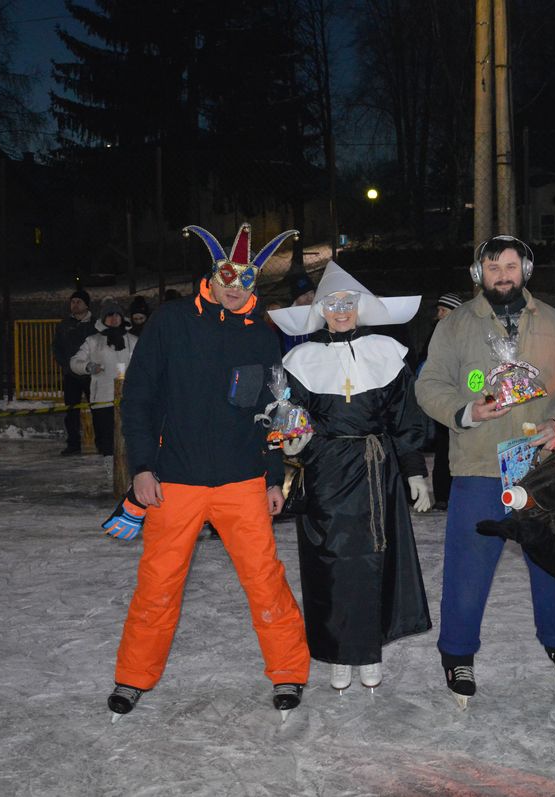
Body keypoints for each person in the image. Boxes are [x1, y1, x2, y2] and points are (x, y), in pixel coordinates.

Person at [104, 222, 311, 719]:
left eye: (246, 278)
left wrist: (272, 476)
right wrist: (142, 467)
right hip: (174, 481)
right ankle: (133, 677)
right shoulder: (171, 322)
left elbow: (271, 410)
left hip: (242, 482)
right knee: (158, 584)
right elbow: (139, 399)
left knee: (265, 580)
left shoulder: (261, 334)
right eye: (227, 276)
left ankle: (288, 672)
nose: (235, 286)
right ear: (212, 275)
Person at [415, 234, 555, 706]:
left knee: (552, 563)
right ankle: (458, 653)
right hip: (480, 465)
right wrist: (467, 411)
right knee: (467, 567)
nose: (503, 275)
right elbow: (429, 384)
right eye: (493, 267)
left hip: (540, 464)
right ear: (479, 274)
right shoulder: (456, 326)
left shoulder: (552, 321)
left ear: (525, 271)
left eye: (511, 266)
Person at [270, 262, 432, 692]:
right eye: (332, 304)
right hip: (325, 470)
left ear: (359, 307)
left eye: (348, 303)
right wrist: (293, 444)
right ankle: (340, 653)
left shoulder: (386, 351)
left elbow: (405, 418)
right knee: (331, 564)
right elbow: (293, 415)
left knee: (375, 561)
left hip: (378, 471)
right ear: (321, 310)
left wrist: (415, 471)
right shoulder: (301, 359)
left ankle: (369, 651)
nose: (341, 311)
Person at [70, 298, 137, 457]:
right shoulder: (93, 341)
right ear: (103, 318)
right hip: (103, 400)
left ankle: (130, 471)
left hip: (129, 400)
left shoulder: (134, 341)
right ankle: (108, 467)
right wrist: (88, 367)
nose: (114, 319)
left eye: (117, 315)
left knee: (130, 442)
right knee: (106, 443)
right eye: (109, 315)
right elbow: (74, 362)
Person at [421, 292, 463, 507]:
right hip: (441, 400)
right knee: (443, 448)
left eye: (443, 310)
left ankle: (452, 494)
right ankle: (443, 495)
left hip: (461, 400)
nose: (439, 314)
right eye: (439, 310)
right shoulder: (437, 333)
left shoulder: (464, 334)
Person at [51, 289, 94, 455]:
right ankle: (73, 444)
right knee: (71, 411)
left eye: (78, 302)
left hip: (92, 374)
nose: (75, 305)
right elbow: (57, 347)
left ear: (86, 305)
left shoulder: (95, 324)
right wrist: (66, 365)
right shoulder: (64, 325)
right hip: (71, 375)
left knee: (97, 409)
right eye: (73, 302)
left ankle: (102, 442)